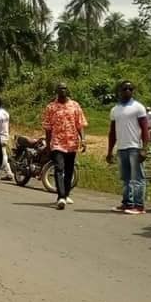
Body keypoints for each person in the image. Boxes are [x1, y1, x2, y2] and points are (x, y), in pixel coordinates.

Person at [107, 81, 150, 215]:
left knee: (137, 178)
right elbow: (112, 132)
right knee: (125, 178)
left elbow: (145, 130)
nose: (127, 91)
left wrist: (144, 148)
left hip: (134, 147)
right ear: (119, 91)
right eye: (124, 88)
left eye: (130, 89)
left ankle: (139, 205)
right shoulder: (115, 109)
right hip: (122, 148)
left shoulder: (138, 107)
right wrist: (109, 151)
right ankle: (127, 202)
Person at [43, 82, 88, 210]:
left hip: (72, 142)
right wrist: (48, 145)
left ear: (67, 90)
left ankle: (66, 193)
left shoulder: (75, 105)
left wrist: (83, 140)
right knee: (59, 168)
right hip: (57, 143)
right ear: (56, 91)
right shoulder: (51, 107)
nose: (62, 90)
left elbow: (80, 124)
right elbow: (47, 128)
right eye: (60, 88)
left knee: (69, 170)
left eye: (64, 88)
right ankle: (60, 197)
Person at [0, 98, 16, 181]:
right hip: (5, 135)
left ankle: (9, 173)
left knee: (2, 156)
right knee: (3, 155)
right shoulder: (6, 113)